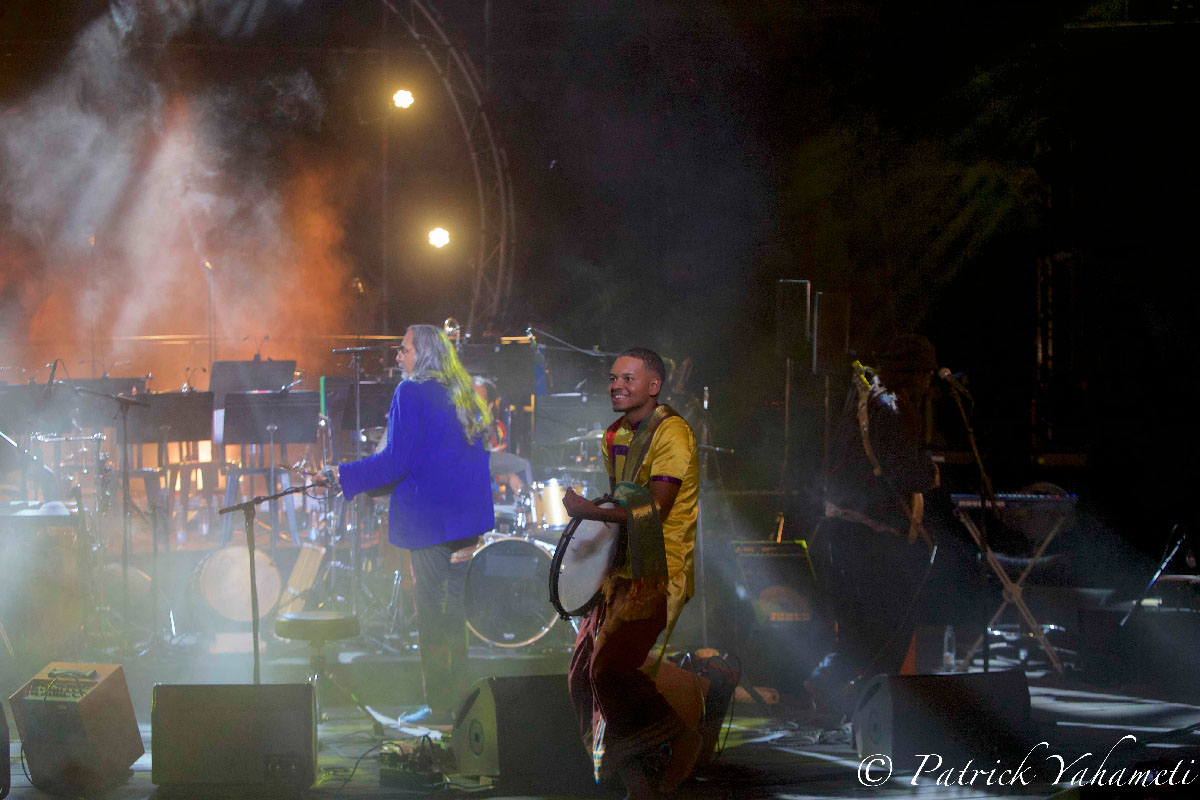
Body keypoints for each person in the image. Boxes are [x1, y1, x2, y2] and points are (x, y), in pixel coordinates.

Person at [325, 324, 494, 724]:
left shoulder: (410, 392)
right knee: (455, 614)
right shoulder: (464, 393)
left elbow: (395, 462)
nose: (398, 356)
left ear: (423, 354)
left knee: (432, 615)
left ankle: (439, 707)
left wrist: (342, 474)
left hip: (431, 522)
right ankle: (463, 706)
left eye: (404, 349)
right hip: (466, 521)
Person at [562, 347, 701, 799]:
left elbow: (655, 510)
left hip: (660, 570)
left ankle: (679, 736)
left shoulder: (672, 432)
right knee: (582, 676)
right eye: (612, 378)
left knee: (608, 669)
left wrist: (590, 512)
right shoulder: (614, 435)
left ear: (654, 385)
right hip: (622, 568)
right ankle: (636, 781)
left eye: (627, 378)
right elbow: (620, 502)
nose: (615, 385)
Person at [807, 333, 941, 720]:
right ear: (916, 374)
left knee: (858, 629)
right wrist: (931, 474)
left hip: (844, 529)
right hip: (870, 537)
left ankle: (831, 695)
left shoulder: (865, 399)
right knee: (886, 627)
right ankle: (862, 706)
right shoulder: (893, 405)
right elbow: (904, 470)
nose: (928, 385)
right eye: (926, 375)